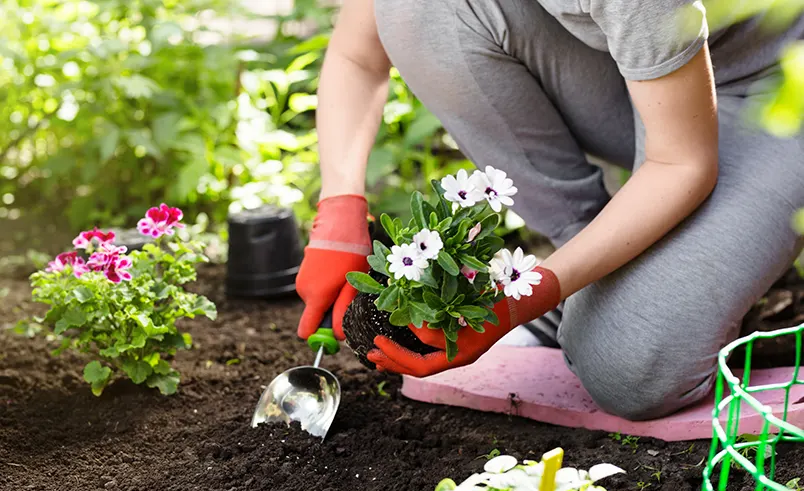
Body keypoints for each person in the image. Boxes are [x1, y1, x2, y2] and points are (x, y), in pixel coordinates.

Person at [295, 0, 804, 421]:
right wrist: (338, 211)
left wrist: (519, 302)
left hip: (778, 89)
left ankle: (662, 285)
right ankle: (598, 271)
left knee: (627, 369)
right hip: (652, 79)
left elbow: (681, 163)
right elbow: (358, 55)